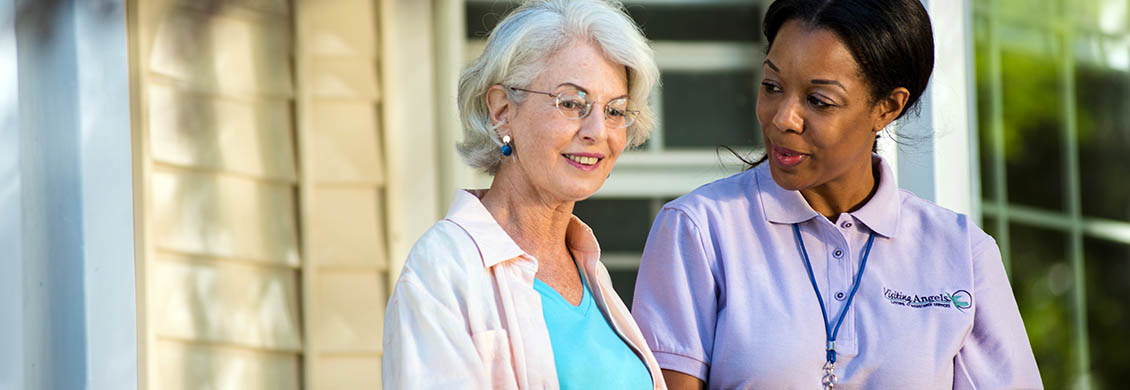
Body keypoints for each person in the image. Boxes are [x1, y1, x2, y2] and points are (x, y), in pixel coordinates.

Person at [630, 0, 1043, 389]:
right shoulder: (699, 230)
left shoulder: (961, 253)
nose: (783, 118)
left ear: (888, 106)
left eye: (818, 100)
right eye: (772, 86)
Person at [382, 0, 665, 388]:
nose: (597, 131)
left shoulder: (588, 267)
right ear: (501, 110)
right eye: (572, 103)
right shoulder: (444, 268)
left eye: (615, 110)